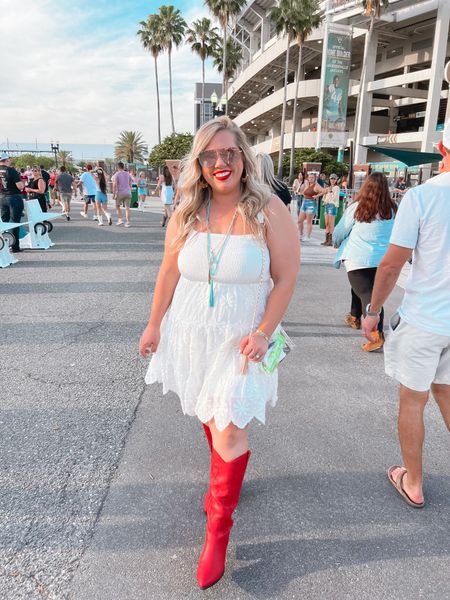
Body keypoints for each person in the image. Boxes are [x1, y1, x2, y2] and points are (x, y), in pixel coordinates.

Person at [139, 116, 299, 590]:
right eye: (210, 155)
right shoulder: (187, 211)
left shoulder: (268, 209)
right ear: (199, 164)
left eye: (229, 153)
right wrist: (153, 324)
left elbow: (287, 277)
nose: (220, 163)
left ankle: (217, 530)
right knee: (211, 417)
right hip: (192, 335)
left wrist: (266, 332)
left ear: (243, 157)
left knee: (228, 428)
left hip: (242, 340)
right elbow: (168, 272)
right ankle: (223, 492)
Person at [362, 120, 450, 509]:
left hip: (425, 319)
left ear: (440, 149)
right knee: (447, 393)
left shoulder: (422, 197)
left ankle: (413, 482)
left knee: (412, 402)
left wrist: (373, 310)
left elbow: (391, 265)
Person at [333, 172, 397, 351]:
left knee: (369, 296)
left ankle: (377, 336)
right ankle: (354, 317)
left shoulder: (357, 207)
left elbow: (340, 231)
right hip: (382, 260)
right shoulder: (393, 209)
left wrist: (336, 242)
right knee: (363, 289)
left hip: (357, 259)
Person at [0, 152, 25, 253]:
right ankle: (15, 246)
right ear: (7, 160)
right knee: (15, 222)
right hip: (13, 197)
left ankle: (4, 244)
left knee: (4, 222)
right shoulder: (11, 170)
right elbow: (19, 186)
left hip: (1, 197)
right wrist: (23, 184)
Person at [298, 173, 323, 241]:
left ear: (315, 178)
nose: (310, 179)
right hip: (304, 202)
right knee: (300, 221)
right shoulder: (307, 185)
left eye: (312, 177)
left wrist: (317, 196)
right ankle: (301, 234)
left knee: (309, 221)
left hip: (311, 204)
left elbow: (323, 191)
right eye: (309, 177)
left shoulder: (316, 185)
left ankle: (308, 236)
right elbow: (304, 192)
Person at [320, 174, 340, 246]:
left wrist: (330, 191)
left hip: (332, 206)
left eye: (334, 179)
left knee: (331, 224)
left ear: (336, 180)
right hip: (326, 205)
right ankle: (326, 240)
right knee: (327, 223)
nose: (333, 180)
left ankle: (330, 241)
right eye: (331, 179)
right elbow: (324, 197)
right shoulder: (328, 187)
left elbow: (334, 197)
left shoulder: (336, 188)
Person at [112, 162, 133, 227]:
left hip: (120, 192)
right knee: (127, 208)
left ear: (117, 167)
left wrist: (114, 194)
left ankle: (120, 219)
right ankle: (128, 222)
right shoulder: (128, 174)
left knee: (117, 206)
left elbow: (115, 185)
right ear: (123, 167)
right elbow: (130, 182)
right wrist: (130, 189)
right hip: (128, 192)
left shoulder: (117, 174)